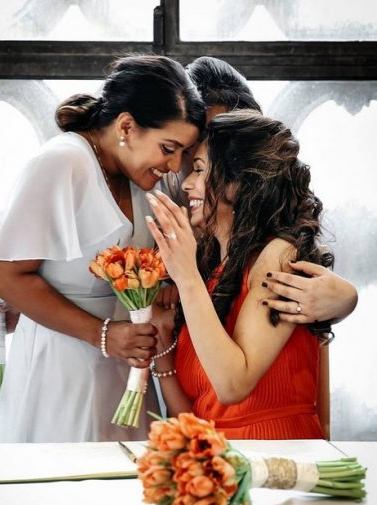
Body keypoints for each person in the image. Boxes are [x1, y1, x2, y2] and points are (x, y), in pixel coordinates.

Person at [0, 54, 206, 443]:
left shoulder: (151, 180)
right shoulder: (62, 163)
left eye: (183, 154)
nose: (174, 166)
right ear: (126, 126)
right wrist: (103, 335)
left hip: (126, 372)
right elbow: (7, 275)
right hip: (59, 368)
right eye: (168, 148)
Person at [146, 109, 344, 439]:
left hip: (275, 458)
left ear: (238, 183)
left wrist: (186, 274)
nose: (188, 184)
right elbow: (199, 413)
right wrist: (163, 347)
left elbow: (233, 385)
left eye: (198, 170)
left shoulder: (279, 256)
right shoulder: (213, 274)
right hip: (221, 462)